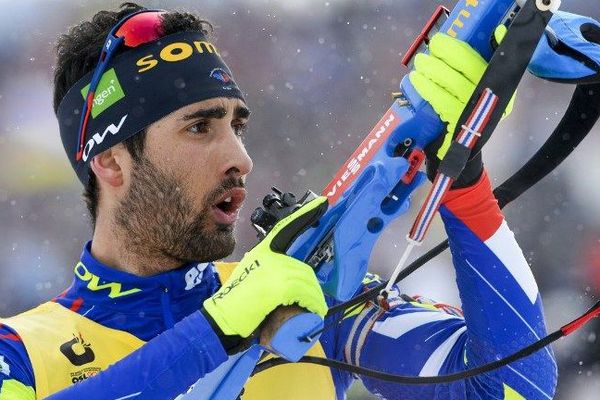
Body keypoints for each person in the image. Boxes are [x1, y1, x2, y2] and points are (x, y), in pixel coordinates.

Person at [0, 3, 557, 399]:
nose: (240, 157)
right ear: (111, 162)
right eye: (200, 127)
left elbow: (512, 388)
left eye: (236, 124)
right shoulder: (20, 350)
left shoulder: (306, 296)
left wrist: (460, 172)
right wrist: (216, 332)